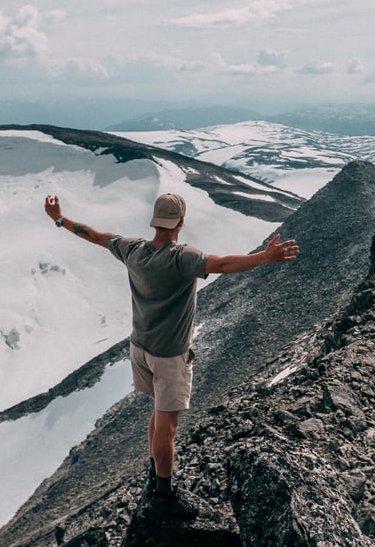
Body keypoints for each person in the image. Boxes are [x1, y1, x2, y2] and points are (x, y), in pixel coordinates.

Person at [44, 192, 299, 519]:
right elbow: (222, 264)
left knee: (158, 413)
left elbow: (93, 235)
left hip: (140, 349)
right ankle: (164, 495)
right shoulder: (182, 258)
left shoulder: (132, 249)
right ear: (181, 222)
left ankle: (155, 475)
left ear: (155, 221)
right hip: (168, 357)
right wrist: (264, 257)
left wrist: (59, 219)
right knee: (168, 427)